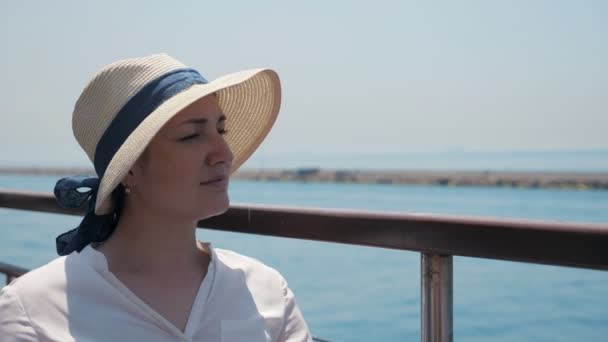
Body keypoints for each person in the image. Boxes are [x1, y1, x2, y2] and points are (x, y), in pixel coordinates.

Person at [0, 53, 312, 341]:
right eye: (191, 135)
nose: (224, 154)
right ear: (129, 170)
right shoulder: (34, 309)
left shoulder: (267, 291)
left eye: (221, 130)